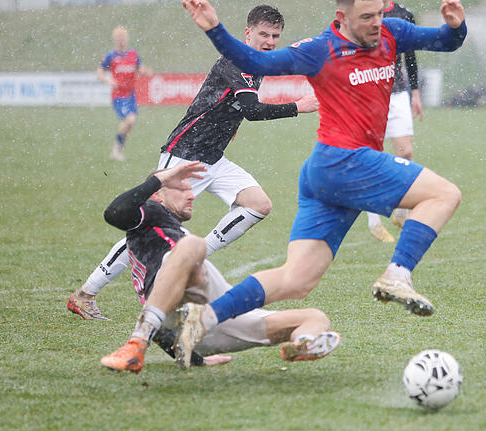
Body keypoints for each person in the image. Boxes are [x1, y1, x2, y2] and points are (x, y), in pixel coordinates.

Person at [172, 0, 467, 369]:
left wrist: (456, 27)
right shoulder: (320, 49)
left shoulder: (392, 31)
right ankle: (397, 275)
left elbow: (445, 41)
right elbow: (257, 63)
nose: (377, 24)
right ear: (342, 17)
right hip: (343, 161)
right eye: (367, 18)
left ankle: (203, 318)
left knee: (296, 280)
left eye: (379, 14)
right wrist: (213, 27)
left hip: (325, 175)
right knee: (445, 194)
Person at [68, 5, 319, 321]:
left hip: (213, 158)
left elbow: (229, 105)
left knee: (258, 204)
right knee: (145, 227)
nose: (269, 41)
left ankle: (196, 254)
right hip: (185, 156)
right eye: (263, 35)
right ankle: (85, 294)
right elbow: (252, 110)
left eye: (275, 37)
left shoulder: (256, 64)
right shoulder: (235, 61)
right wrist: (299, 106)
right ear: (247, 33)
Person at [99, 161, 341, 373]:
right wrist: (158, 179)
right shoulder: (149, 213)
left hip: (210, 320)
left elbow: (161, 317)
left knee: (315, 317)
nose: (192, 195)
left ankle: (304, 343)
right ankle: (136, 343)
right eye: (182, 189)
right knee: (193, 244)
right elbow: (114, 213)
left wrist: (194, 359)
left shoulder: (169, 231)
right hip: (194, 300)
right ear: (158, 195)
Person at [365, 0, 423, 243]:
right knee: (370, 156)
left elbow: (409, 55)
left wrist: (416, 92)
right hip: (367, 92)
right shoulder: (359, 12)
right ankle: (374, 222)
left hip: (397, 91)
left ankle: (401, 210)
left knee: (405, 152)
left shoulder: (403, 14)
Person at [97, 26, 151, 161]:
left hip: (130, 94)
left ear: (127, 39)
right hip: (118, 95)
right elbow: (99, 72)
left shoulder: (133, 54)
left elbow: (139, 68)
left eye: (124, 38)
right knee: (130, 120)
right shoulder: (111, 56)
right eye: (119, 38)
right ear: (114, 40)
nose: (121, 41)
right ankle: (116, 149)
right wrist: (109, 81)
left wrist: (145, 71)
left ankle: (117, 150)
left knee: (130, 123)